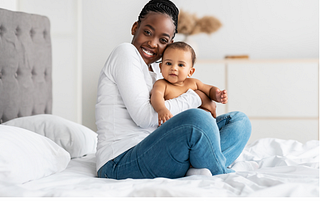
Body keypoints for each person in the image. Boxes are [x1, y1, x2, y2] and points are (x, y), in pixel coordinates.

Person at [95, 0, 251, 179]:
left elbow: (170, 117)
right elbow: (145, 118)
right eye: (147, 32)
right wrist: (197, 97)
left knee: (239, 121)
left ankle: (198, 166)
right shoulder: (125, 52)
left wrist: (201, 100)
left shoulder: (157, 71)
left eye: (162, 40)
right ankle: (220, 172)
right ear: (134, 27)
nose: (153, 43)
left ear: (170, 43)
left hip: (158, 151)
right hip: (119, 161)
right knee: (197, 119)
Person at [151, 41, 227, 126]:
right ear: (161, 67)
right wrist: (161, 109)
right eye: (168, 63)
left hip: (202, 123)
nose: (174, 68)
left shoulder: (193, 82)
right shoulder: (161, 84)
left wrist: (217, 95)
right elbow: (156, 97)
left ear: (190, 72)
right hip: (180, 127)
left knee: (238, 118)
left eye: (180, 65)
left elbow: (209, 90)